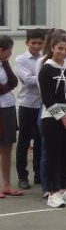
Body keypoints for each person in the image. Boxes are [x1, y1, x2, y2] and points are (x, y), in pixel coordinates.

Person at [38, 32, 66, 208]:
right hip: (52, 119)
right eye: (60, 48)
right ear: (52, 48)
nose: (63, 52)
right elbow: (47, 98)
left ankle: (64, 189)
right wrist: (62, 117)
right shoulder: (46, 69)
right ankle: (53, 191)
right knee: (53, 155)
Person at [14, 29, 45, 190]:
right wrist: (46, 77)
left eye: (40, 43)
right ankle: (22, 176)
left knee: (40, 140)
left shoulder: (45, 58)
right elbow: (27, 80)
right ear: (27, 43)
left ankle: (39, 174)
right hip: (27, 104)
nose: (37, 46)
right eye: (33, 43)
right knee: (24, 141)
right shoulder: (21, 59)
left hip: (41, 104)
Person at [0, 36, 21, 199]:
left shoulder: (4, 63)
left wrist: (5, 62)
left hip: (7, 107)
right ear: (1, 50)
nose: (11, 52)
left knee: (7, 147)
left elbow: (14, 82)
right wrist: (7, 87)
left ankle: (6, 185)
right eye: (9, 49)